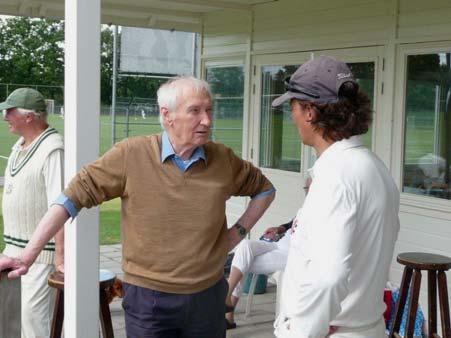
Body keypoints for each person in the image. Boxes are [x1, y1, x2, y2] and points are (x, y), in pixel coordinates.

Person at [0, 77, 275, 338]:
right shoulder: (131, 154)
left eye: (209, 110)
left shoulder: (223, 159)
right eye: (195, 111)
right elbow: (69, 199)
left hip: (208, 296)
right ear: (167, 115)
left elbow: (265, 190)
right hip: (149, 300)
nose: (207, 120)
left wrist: (237, 232)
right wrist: (28, 255)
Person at [271, 56, 400, 338]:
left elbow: (328, 278)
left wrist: (303, 332)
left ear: (310, 111)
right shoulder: (375, 167)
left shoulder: (336, 176)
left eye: (292, 106)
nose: (291, 116)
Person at [1, 88, 65, 338]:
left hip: (41, 259)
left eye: (10, 111)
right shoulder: (19, 146)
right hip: (12, 255)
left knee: (36, 327)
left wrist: (60, 260)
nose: (5, 116)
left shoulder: (53, 150)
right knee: (13, 325)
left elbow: (60, 207)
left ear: (29, 117)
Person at [225, 177, 312, 329]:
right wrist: (280, 228)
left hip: (291, 254)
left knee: (242, 262)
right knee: (245, 246)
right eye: (305, 188)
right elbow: (293, 223)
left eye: (309, 187)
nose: (306, 191)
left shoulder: (324, 210)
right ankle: (227, 296)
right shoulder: (307, 207)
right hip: (278, 243)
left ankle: (227, 309)